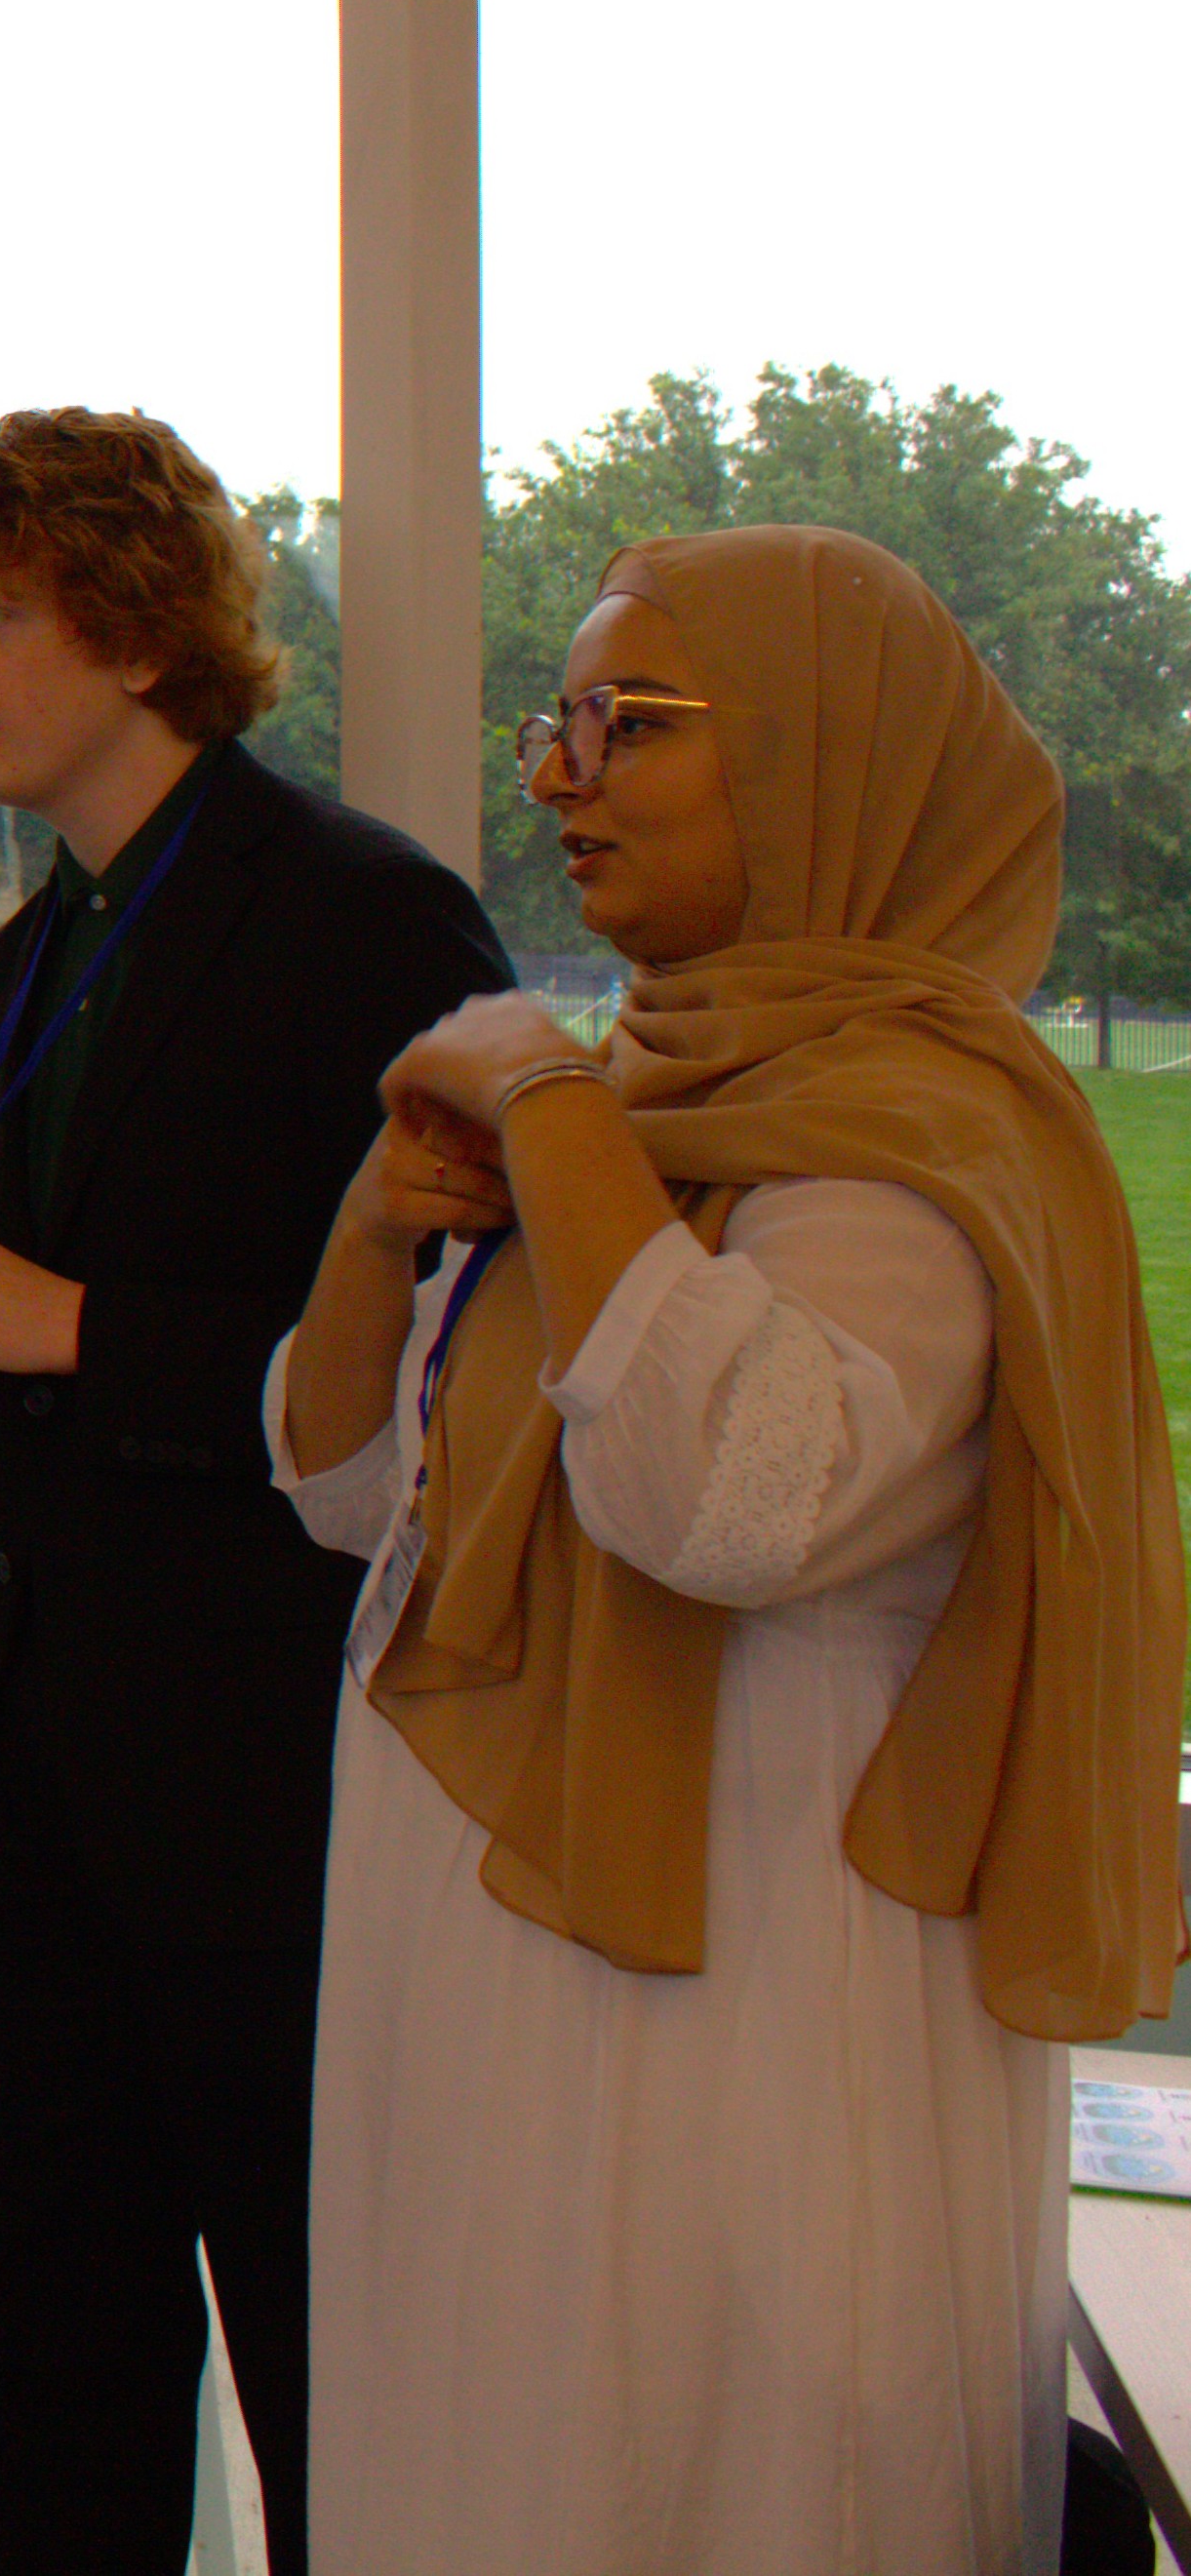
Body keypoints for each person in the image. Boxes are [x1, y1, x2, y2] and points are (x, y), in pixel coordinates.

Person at [275, 524, 1182, 2573]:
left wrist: (553, 1122)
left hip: (749, 2025)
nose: (563, 771)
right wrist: (372, 1221)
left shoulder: (918, 1142)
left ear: (830, 766)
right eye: (560, 718)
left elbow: (724, 1502)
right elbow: (358, 1502)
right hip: (504, 2015)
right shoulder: (649, 1095)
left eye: (636, 720)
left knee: (707, 2479)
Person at [0, 410, 507, 2575]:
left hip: (275, 1823)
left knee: (340, 2408)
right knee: (39, 2394)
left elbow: (464, 1382)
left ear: (134, 623)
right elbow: (37, 1349)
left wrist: (70, 1319)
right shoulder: (23, 963)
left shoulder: (369, 923)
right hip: (23, 1818)